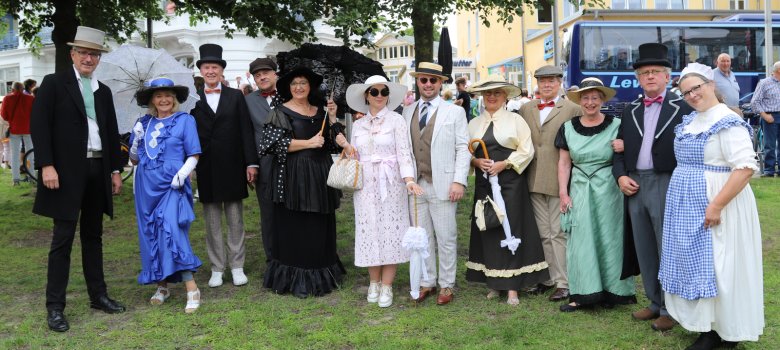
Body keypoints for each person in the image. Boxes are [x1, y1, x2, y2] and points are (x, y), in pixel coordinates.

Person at [660, 63, 764, 349]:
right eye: (686, 92)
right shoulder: (692, 120)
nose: (692, 95)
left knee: (721, 265)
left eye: (697, 88)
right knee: (700, 266)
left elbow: (744, 168)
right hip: (688, 204)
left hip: (720, 202)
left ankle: (727, 331)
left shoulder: (727, 120)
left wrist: (716, 205)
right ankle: (707, 326)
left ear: (711, 85)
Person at [30, 26, 125, 332]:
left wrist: (114, 170)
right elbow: (39, 126)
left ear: (99, 59)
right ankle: (55, 307)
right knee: (62, 239)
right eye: (83, 52)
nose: (88, 58)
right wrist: (46, 164)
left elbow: (110, 133)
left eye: (94, 54)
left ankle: (98, 296)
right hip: (65, 172)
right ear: (72, 54)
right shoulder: (54, 83)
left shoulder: (103, 90)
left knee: (93, 237)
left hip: (98, 169)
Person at [612, 43, 693, 332]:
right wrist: (621, 177)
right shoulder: (630, 109)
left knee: (666, 246)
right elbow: (618, 149)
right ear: (637, 78)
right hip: (635, 183)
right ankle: (655, 301)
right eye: (644, 72)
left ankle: (673, 308)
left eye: (655, 71)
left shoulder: (683, 107)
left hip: (666, 182)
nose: (649, 77)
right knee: (644, 246)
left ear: (668, 76)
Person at [259, 67, 346, 298]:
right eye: (295, 83)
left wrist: (334, 117)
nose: (299, 87)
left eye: (303, 83)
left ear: (310, 87)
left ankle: (320, 271)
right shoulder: (280, 111)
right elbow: (272, 146)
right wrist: (307, 143)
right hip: (292, 175)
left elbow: (334, 143)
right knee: (296, 224)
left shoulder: (321, 111)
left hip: (319, 173)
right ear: (288, 87)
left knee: (318, 223)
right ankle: (296, 276)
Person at [465, 75, 550, 306]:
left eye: (497, 93)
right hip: (484, 184)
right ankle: (494, 282)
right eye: (488, 93)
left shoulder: (515, 120)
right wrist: (475, 163)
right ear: (482, 97)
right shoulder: (473, 123)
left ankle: (512, 286)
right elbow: (466, 152)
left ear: (505, 96)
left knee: (510, 230)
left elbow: (527, 150)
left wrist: (505, 164)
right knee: (489, 228)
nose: (492, 97)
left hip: (511, 182)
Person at [555, 78, 636, 312]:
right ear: (579, 101)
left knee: (610, 238)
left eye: (595, 97)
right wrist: (563, 192)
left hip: (609, 189)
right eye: (586, 98)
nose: (590, 102)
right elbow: (563, 163)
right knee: (581, 240)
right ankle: (582, 293)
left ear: (602, 100)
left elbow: (633, 153)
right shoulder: (568, 127)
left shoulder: (617, 125)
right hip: (579, 188)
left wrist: (625, 145)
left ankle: (614, 292)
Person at [343, 75, 422, 307]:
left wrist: (408, 180)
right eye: (374, 92)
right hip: (366, 186)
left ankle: (387, 286)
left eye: (384, 92)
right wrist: (346, 147)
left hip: (392, 185)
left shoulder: (397, 120)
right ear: (366, 95)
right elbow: (354, 156)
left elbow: (404, 153)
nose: (379, 96)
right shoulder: (357, 125)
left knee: (391, 232)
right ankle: (373, 282)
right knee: (369, 232)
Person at [129, 77, 203, 313]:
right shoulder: (143, 123)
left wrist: (183, 174)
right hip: (146, 185)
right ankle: (162, 286)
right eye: (159, 96)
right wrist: (135, 140)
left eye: (168, 95)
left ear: (175, 99)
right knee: (151, 232)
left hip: (173, 185)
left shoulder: (185, 120)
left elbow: (194, 154)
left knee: (172, 228)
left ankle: (192, 287)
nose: (164, 100)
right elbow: (135, 159)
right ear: (152, 100)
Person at [190, 44, 258, 288]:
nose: (210, 71)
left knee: (235, 218)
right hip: (206, 165)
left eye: (214, 67)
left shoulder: (236, 96)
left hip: (233, 163)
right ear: (201, 71)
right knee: (212, 221)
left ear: (221, 71)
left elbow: (246, 130)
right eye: (206, 67)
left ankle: (237, 266)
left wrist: (251, 162)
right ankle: (217, 267)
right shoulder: (193, 98)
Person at [402, 62, 470, 305]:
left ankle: (447, 284)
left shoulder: (455, 112)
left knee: (446, 237)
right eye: (423, 80)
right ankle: (427, 281)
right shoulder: (407, 112)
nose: (428, 84)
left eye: (433, 80)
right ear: (417, 82)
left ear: (441, 83)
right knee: (423, 237)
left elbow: (463, 149)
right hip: (415, 185)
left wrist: (458, 181)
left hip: (443, 183)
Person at [518, 65, 581, 302]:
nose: (546, 85)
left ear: (560, 82)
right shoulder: (526, 109)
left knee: (558, 232)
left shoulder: (572, 109)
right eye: (542, 81)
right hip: (532, 177)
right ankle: (546, 278)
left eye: (551, 81)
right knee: (542, 233)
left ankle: (563, 282)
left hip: (558, 178)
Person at [244, 57, 282, 263]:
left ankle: (292, 253)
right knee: (268, 213)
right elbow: (246, 134)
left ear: (275, 74)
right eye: (258, 75)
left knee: (290, 210)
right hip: (264, 164)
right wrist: (251, 163)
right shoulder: (248, 101)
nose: (262, 77)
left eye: (266, 72)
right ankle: (272, 258)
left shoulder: (289, 95)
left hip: (291, 162)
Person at [1, 81, 35, 185]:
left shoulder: (7, 98)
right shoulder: (31, 98)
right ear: (23, 88)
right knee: (30, 155)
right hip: (28, 129)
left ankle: (16, 180)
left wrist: (12, 119)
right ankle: (31, 177)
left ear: (12, 89)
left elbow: (4, 115)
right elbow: (35, 113)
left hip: (14, 130)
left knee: (14, 155)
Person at [750, 61, 780, 177]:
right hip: (770, 116)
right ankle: (769, 170)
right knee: (770, 145)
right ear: (778, 70)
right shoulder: (764, 83)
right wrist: (764, 115)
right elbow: (754, 102)